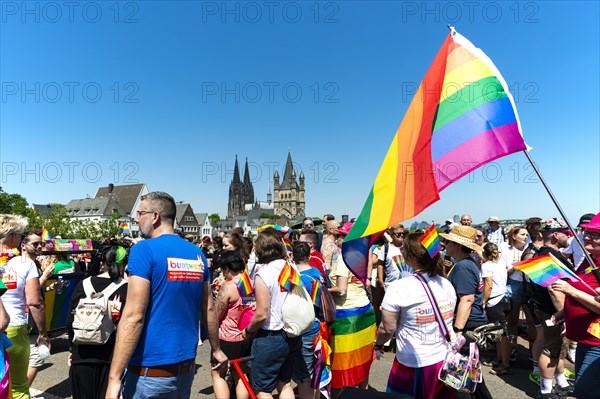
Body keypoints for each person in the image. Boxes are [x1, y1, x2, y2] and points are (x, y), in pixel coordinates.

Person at [106, 192, 227, 399]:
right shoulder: (196, 253)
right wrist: (216, 349)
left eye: (140, 213)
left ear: (155, 216)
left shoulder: (144, 250)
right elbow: (207, 307)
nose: (136, 218)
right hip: (184, 370)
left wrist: (114, 378)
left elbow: (134, 314)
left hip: (148, 371)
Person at [375, 232, 457, 399]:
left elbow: (387, 328)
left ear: (411, 257)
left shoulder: (400, 287)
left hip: (413, 362)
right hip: (444, 360)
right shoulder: (446, 283)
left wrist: (378, 345)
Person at [241, 229, 301, 399]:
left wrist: (247, 329)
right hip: (292, 332)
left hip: (271, 335)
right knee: (285, 383)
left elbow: (262, 314)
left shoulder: (264, 274)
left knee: (263, 388)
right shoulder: (292, 268)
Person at [68, 241, 129, 399]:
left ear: (102, 262)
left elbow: (71, 319)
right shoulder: (126, 288)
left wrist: (71, 349)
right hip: (111, 358)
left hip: (81, 354)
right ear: (124, 264)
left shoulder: (84, 284)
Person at [550, 212, 600, 399]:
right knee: (585, 388)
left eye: (595, 234)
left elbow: (577, 292)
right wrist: (564, 314)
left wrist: (571, 291)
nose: (586, 236)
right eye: (586, 232)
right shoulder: (590, 260)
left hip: (597, 341)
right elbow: (585, 292)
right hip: (584, 338)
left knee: (587, 391)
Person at [0, 215, 50, 399]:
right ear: (12, 236)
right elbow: (35, 302)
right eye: (20, 235)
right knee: (19, 386)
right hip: (13, 328)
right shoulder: (25, 263)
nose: (21, 239)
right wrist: (43, 333)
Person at [441, 225, 493, 399]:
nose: (445, 244)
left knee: (463, 371)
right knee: (470, 370)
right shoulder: (465, 264)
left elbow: (467, 299)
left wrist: (457, 331)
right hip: (471, 322)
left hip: (467, 324)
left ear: (456, 245)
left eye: (447, 241)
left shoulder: (463, 266)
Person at [328, 222, 376, 396]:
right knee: (363, 359)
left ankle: (343, 395)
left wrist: (322, 289)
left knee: (343, 362)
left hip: (347, 316)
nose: (338, 238)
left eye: (341, 236)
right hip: (365, 312)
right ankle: (363, 393)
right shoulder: (362, 256)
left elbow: (341, 290)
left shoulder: (343, 258)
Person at [527, 219, 573, 398]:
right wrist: (564, 315)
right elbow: (554, 290)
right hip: (553, 310)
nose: (567, 237)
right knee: (551, 349)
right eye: (566, 233)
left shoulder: (547, 254)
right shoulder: (549, 257)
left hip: (548, 308)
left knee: (559, 348)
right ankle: (546, 391)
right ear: (556, 234)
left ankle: (561, 382)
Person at [21, 230, 61, 386]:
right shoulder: (22, 264)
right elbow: (26, 293)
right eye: (35, 244)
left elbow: (34, 291)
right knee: (36, 359)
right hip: (27, 318)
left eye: (41, 244)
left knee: (26, 359)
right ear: (23, 246)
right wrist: (44, 276)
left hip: (30, 319)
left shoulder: (34, 263)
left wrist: (49, 288)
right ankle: (21, 393)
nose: (39, 247)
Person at [211, 251, 251, 399]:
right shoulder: (251, 282)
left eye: (223, 270)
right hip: (245, 335)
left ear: (228, 268)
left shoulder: (228, 287)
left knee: (218, 375)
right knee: (241, 374)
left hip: (227, 338)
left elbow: (216, 315)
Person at [292, 241, 321, 399]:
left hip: (302, 327)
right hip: (316, 324)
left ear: (293, 256)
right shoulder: (317, 273)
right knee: (315, 366)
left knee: (304, 372)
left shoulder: (296, 278)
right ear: (309, 256)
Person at [481, 242, 511, 375]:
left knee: (501, 334)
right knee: (500, 333)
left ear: (484, 254)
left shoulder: (486, 266)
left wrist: (484, 301)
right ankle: (500, 360)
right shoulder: (501, 263)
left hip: (495, 301)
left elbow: (488, 284)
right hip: (505, 298)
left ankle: (505, 364)